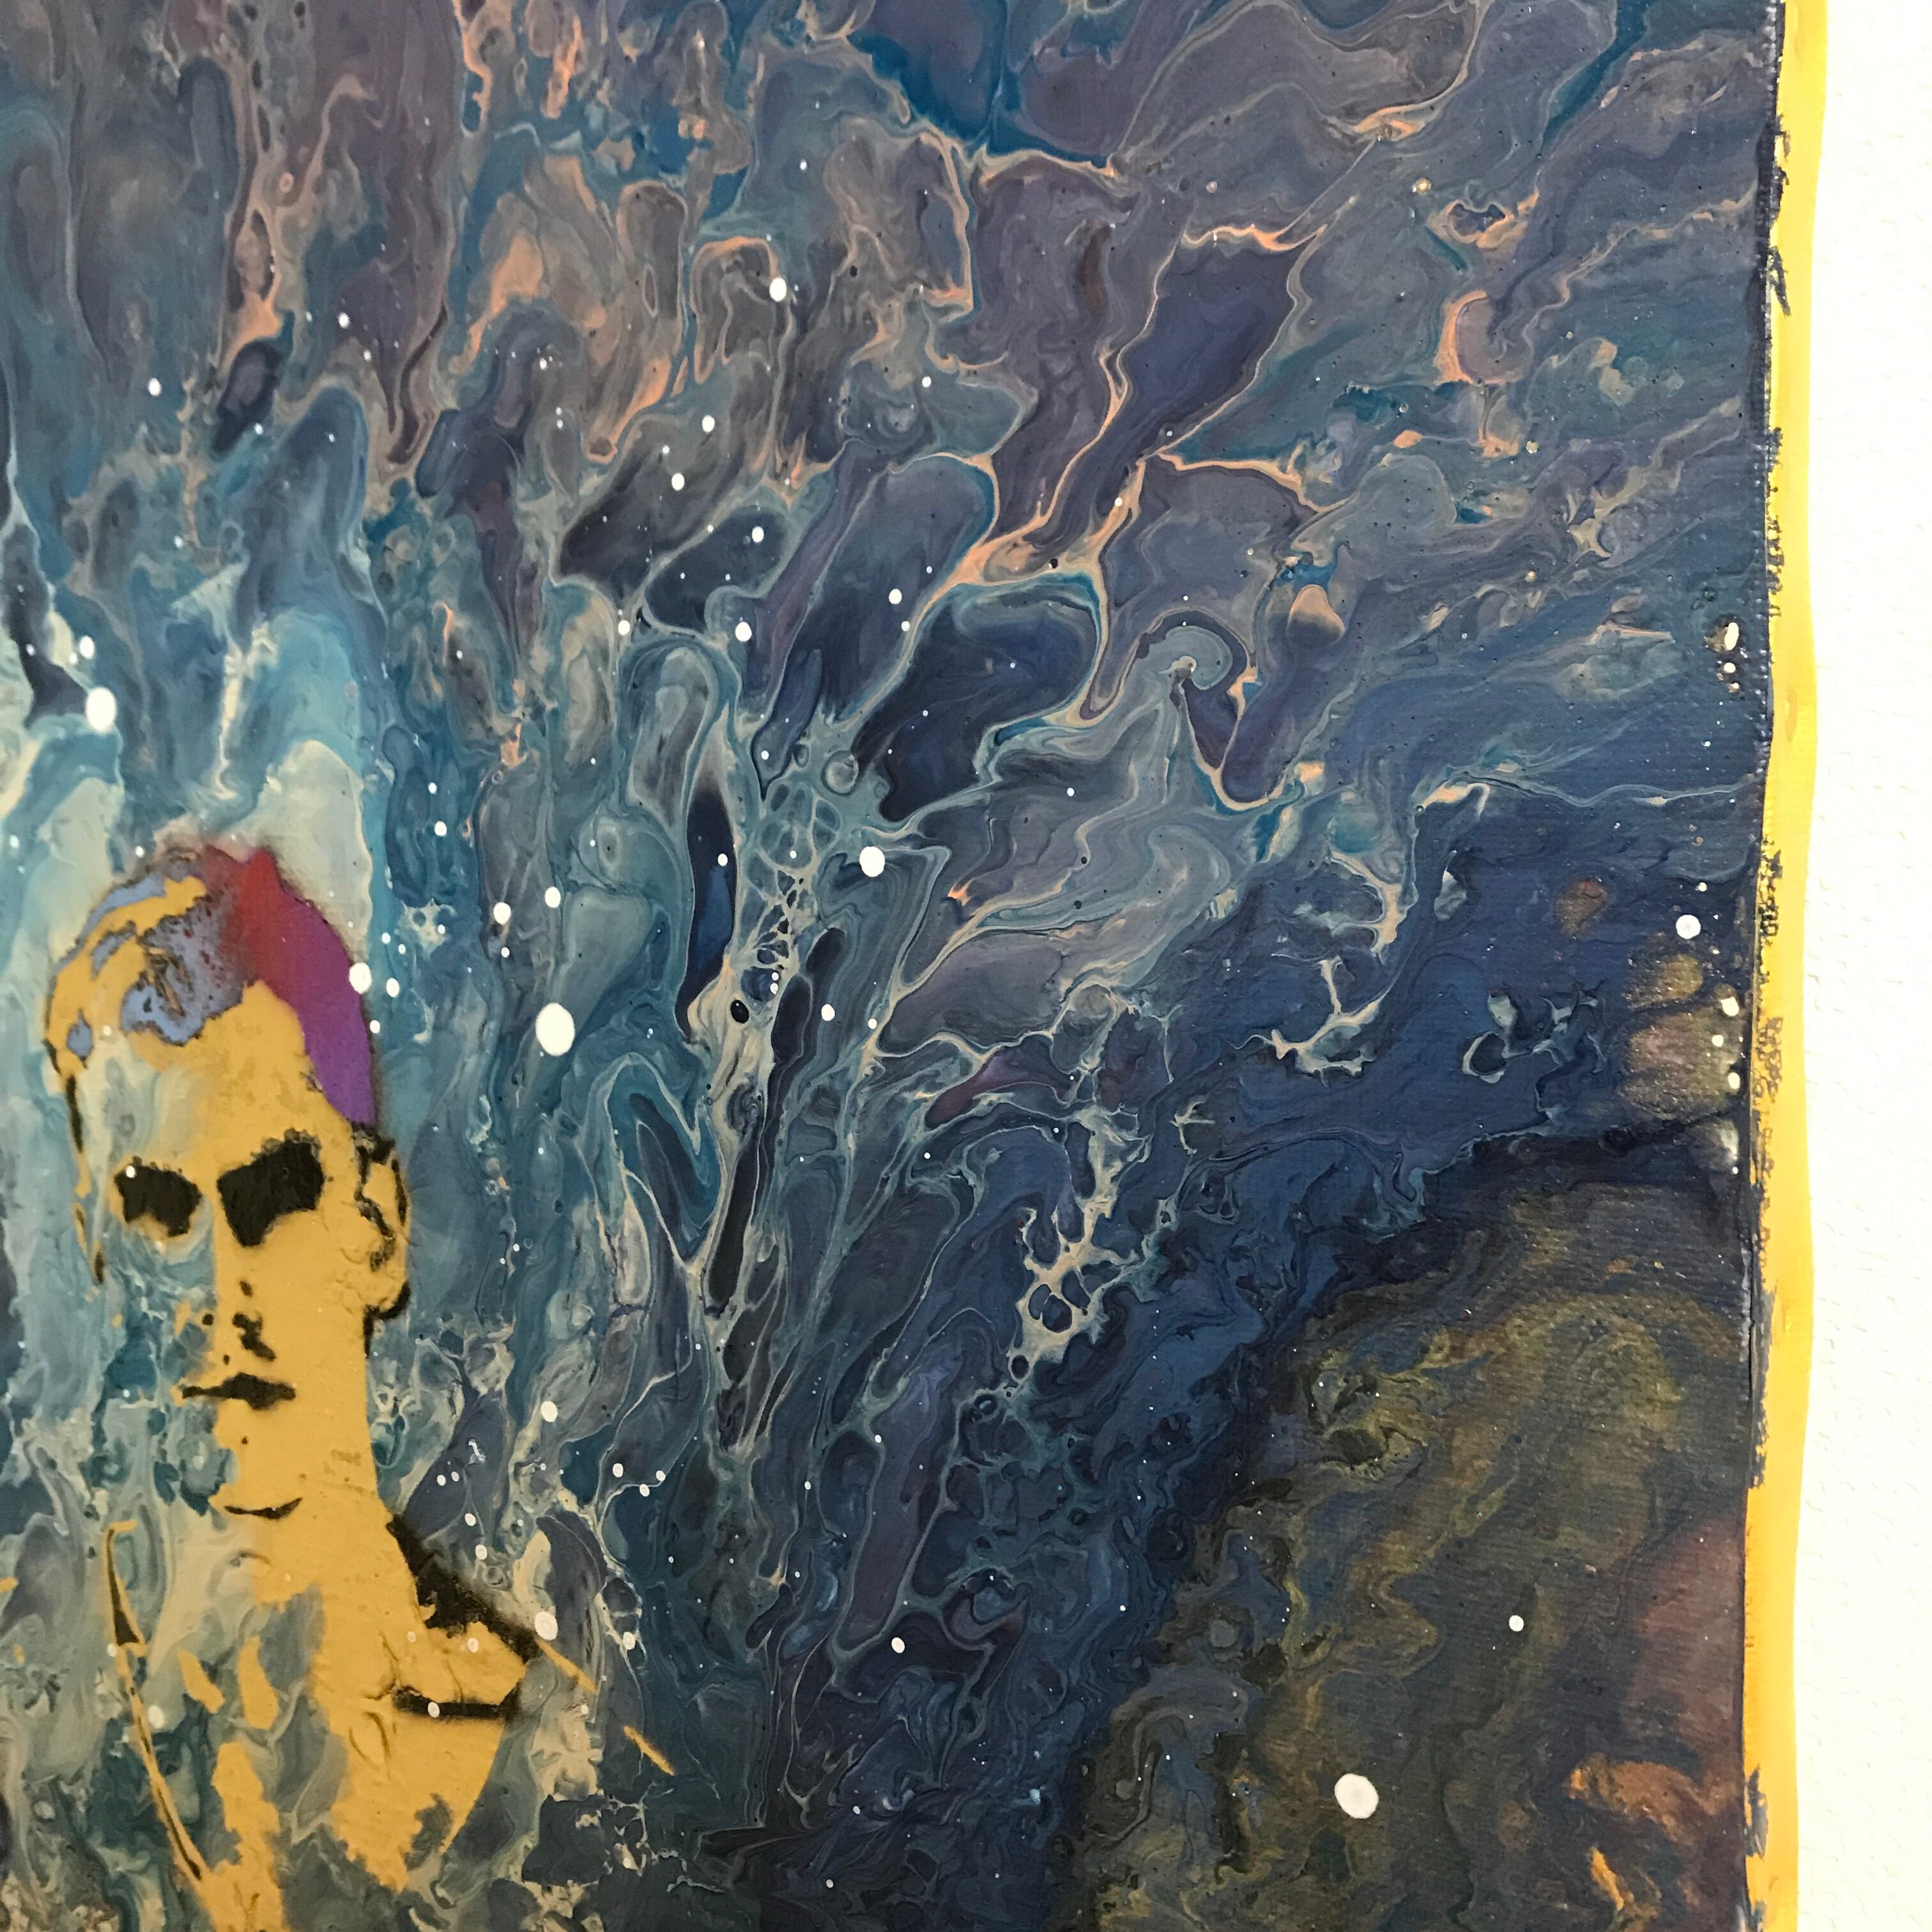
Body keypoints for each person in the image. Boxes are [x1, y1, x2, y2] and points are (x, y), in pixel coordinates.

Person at [45, 847, 533, 1931]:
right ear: (96, 1252)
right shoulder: (38, 1708)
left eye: (275, 1192)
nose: (225, 1292)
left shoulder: (553, 1765)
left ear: (379, 1229)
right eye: (160, 1210)